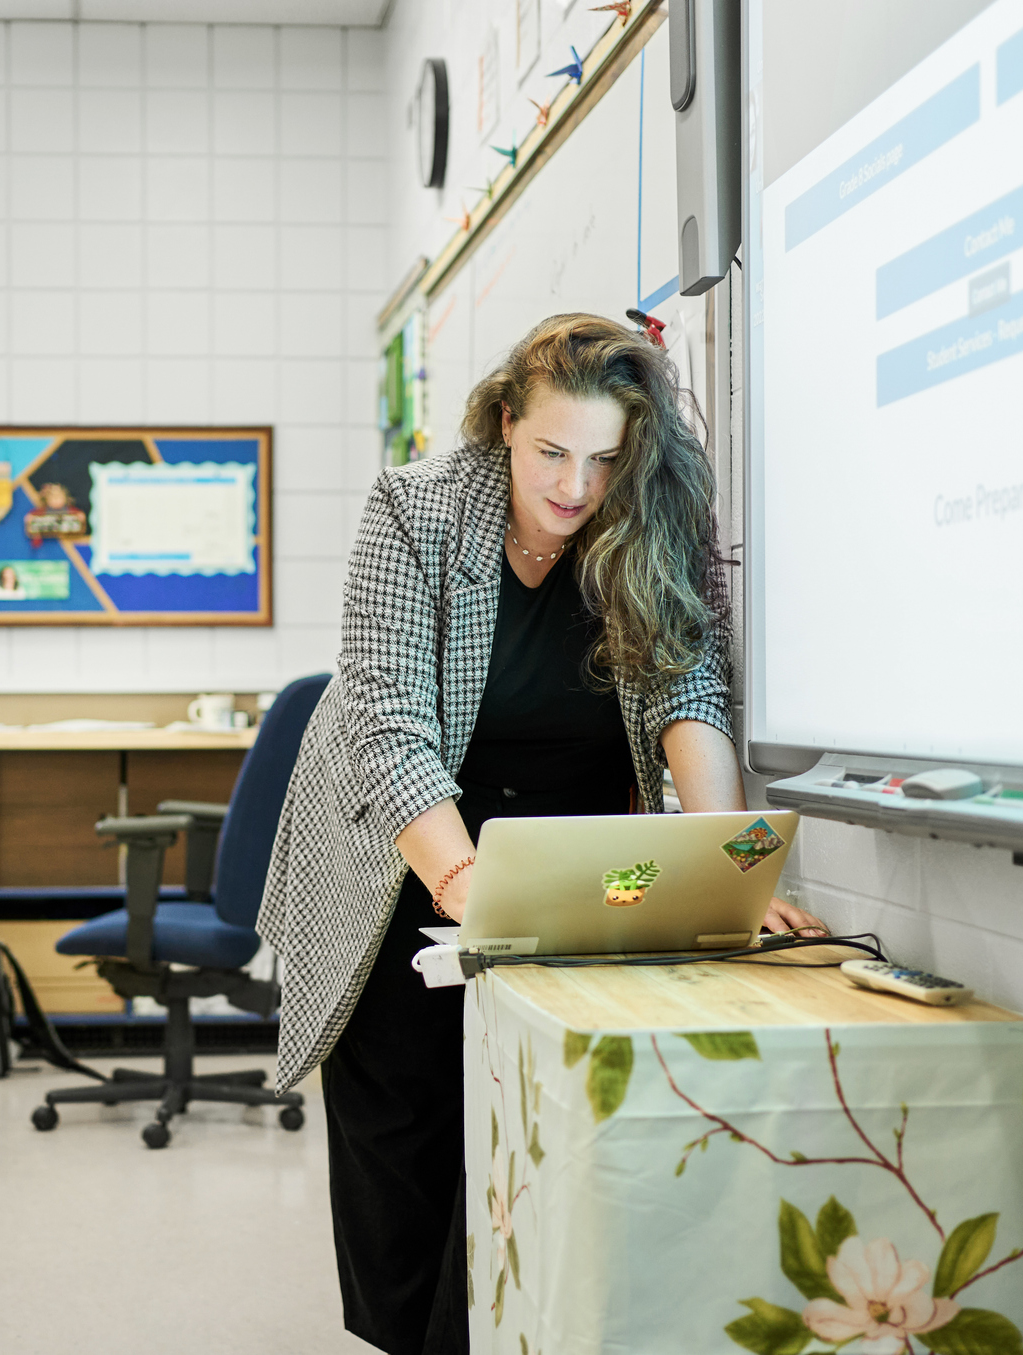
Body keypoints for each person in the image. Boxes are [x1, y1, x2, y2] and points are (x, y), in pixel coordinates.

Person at [257, 313, 827, 1354]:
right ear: (506, 422)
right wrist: (466, 877)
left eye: (604, 458)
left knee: (525, 1157)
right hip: (405, 856)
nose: (574, 486)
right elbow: (386, 720)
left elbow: (686, 689)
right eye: (551, 453)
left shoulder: (652, 512)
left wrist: (738, 863)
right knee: (409, 1163)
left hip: (563, 869)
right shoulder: (417, 508)